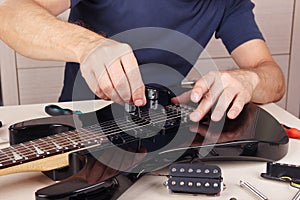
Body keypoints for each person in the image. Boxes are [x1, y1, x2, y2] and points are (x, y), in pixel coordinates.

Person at [0, 0, 285, 123]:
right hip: (78, 126)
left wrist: (249, 79)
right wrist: (88, 46)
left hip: (159, 131)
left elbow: (272, 77)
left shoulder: (227, 3)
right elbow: (9, 12)